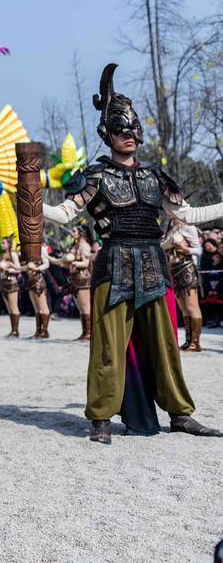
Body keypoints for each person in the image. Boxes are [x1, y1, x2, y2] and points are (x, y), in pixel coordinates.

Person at [43, 63, 223, 443]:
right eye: (121, 129)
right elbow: (64, 213)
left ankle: (180, 414)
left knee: (165, 345)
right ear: (106, 133)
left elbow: (187, 215)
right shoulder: (95, 177)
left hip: (155, 268)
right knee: (108, 347)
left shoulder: (155, 176)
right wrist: (29, 202)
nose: (129, 135)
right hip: (114, 267)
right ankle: (101, 418)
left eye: (133, 129)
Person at [163, 214, 205, 352]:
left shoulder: (189, 227)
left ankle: (195, 342)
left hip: (187, 268)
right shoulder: (170, 229)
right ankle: (188, 341)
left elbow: (198, 250)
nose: (169, 213)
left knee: (192, 305)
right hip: (174, 270)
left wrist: (186, 250)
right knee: (183, 307)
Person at [49, 226, 94, 341]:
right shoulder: (75, 245)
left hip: (83, 279)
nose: (72, 233)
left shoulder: (84, 246)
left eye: (74, 231)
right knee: (80, 308)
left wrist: (73, 263)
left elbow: (86, 263)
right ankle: (84, 332)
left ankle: (89, 333)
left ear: (81, 233)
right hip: (75, 279)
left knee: (85, 308)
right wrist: (51, 260)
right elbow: (65, 262)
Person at [0, 236, 22, 336]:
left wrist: (10, 270)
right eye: (1, 243)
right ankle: (12, 329)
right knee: (9, 308)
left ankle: (16, 330)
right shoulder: (1, 255)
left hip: (11, 282)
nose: (1, 245)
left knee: (14, 307)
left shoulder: (13, 254)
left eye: (3, 243)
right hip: (3, 281)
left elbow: (19, 268)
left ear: (8, 244)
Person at [23, 254, 51, 339]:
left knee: (43, 308)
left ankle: (44, 331)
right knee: (36, 308)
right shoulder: (26, 249)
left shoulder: (40, 249)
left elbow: (46, 263)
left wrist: (37, 268)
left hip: (38, 279)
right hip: (30, 280)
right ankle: (38, 331)